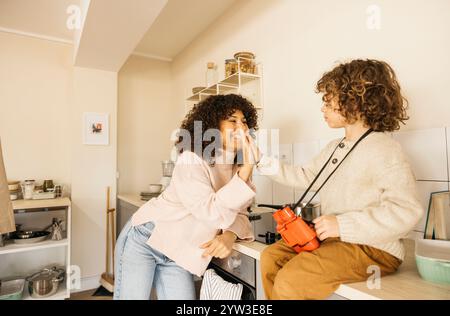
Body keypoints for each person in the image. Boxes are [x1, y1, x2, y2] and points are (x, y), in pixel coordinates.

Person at [253, 59, 423, 300]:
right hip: (337, 240)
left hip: (375, 248)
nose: (323, 108)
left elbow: (406, 211)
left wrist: (342, 225)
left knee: (292, 280)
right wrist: (260, 160)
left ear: (356, 101)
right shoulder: (336, 146)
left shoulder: (384, 148)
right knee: (271, 257)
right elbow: (307, 176)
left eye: (329, 99)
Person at [113, 94, 258, 300]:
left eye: (244, 122)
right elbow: (210, 212)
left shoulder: (239, 168)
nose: (242, 128)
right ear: (213, 126)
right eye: (232, 121)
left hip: (180, 252)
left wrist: (229, 235)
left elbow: (242, 213)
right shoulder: (192, 158)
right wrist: (247, 169)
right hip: (146, 239)